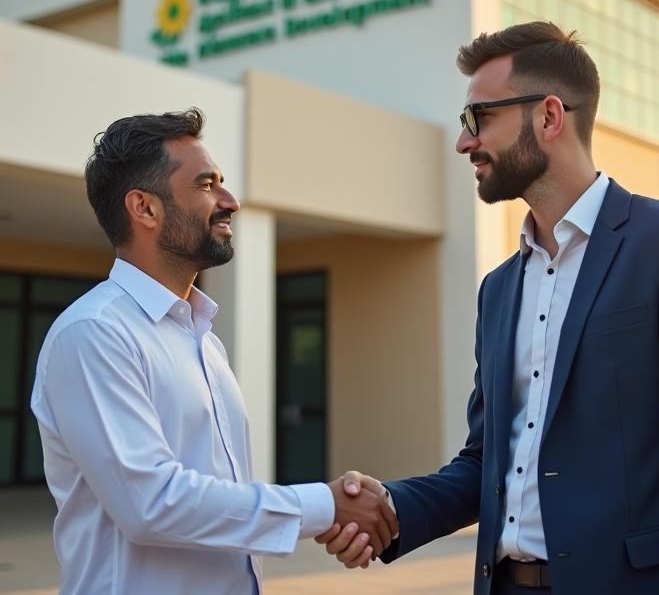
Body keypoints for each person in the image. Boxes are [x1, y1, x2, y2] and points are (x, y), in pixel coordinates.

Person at [319, 22, 659, 594]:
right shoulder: (498, 289)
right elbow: (488, 463)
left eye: (479, 119)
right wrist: (391, 508)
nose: (464, 142)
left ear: (549, 117)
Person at [31, 109, 396, 595]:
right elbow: (151, 503)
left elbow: (217, 499)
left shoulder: (204, 339)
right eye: (207, 185)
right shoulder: (94, 333)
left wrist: (332, 513)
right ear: (144, 208)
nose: (231, 201)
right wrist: (326, 506)